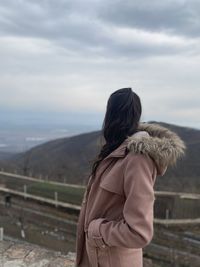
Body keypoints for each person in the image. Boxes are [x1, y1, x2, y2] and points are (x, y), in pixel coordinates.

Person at [75, 88, 186, 267]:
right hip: (97, 257)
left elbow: (139, 232)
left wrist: (97, 230)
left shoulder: (137, 159)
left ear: (111, 114)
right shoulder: (116, 150)